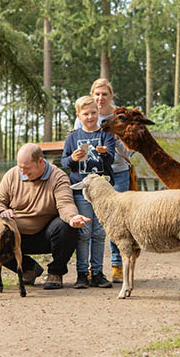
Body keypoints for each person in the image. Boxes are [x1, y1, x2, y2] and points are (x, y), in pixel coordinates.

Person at [0, 143, 90, 290]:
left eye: (26, 168)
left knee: (66, 227)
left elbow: (65, 203)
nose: (22, 171)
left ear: (40, 161)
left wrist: (72, 217)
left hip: (45, 236)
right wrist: (2, 211)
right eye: (20, 167)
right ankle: (29, 268)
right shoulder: (12, 174)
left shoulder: (58, 177)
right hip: (16, 236)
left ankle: (55, 272)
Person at [73, 78, 132, 283]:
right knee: (95, 222)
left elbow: (129, 150)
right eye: (97, 94)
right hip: (94, 176)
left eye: (104, 94)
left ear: (111, 95)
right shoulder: (85, 113)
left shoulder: (120, 116)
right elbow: (77, 142)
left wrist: (116, 140)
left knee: (118, 219)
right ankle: (90, 269)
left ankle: (118, 265)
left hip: (118, 172)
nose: (100, 98)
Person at [62, 95, 116, 289]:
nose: (90, 117)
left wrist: (103, 153)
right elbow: (64, 162)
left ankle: (98, 272)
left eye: (94, 113)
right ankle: (82, 273)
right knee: (84, 232)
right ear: (79, 115)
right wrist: (73, 159)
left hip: (102, 193)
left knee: (100, 233)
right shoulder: (72, 137)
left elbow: (111, 159)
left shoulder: (105, 135)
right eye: (86, 114)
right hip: (80, 191)